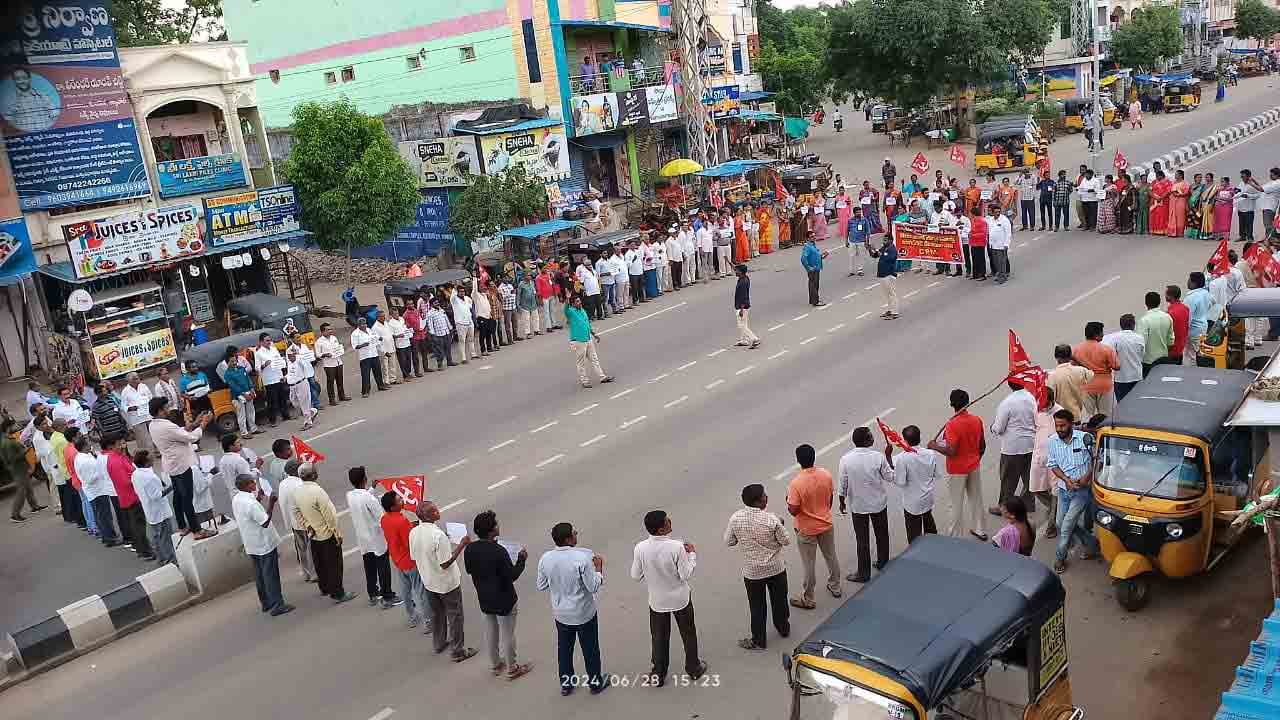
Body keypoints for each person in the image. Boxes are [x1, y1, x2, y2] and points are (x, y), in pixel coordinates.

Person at [631, 510, 706, 685]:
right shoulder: (676, 547)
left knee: (658, 637)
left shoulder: (640, 548)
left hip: (657, 601)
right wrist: (692, 555)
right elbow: (685, 574)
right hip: (680, 599)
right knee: (688, 633)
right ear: (660, 529)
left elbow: (635, 575)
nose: (670, 521)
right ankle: (693, 667)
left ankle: (658, 673)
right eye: (666, 521)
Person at [537, 522, 606, 696]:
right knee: (590, 648)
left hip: (561, 614)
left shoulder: (546, 558)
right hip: (583, 613)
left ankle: (566, 684)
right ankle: (595, 682)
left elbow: (541, 585)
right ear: (568, 539)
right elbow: (593, 587)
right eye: (574, 532)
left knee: (564, 650)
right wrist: (598, 570)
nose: (576, 533)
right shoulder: (582, 558)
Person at [463, 510, 532, 680]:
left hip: (484, 598)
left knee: (491, 632)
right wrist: (522, 559)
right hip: (504, 599)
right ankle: (512, 667)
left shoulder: (469, 549)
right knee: (508, 634)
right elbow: (512, 575)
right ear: (492, 530)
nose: (498, 526)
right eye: (496, 524)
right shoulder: (499, 551)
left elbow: (470, 570)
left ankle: (495, 664)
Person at [724, 483, 791, 652]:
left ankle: (759, 640)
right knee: (780, 601)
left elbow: (729, 541)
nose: (766, 497)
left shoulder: (736, 518)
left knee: (757, 606)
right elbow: (786, 541)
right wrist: (780, 524)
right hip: (775, 568)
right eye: (764, 495)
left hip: (753, 573)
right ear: (759, 501)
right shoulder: (771, 519)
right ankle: (783, 628)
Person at [411, 500, 477, 662]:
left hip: (429, 581)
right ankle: (458, 651)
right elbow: (445, 563)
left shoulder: (414, 532)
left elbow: (414, 556)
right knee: (455, 616)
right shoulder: (438, 536)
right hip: (446, 584)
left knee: (437, 614)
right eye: (434, 510)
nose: (437, 511)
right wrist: (462, 545)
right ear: (427, 516)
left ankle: (439, 643)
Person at [148, 396, 213, 539]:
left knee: (178, 496)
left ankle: (182, 526)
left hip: (172, 464)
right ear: (160, 411)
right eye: (165, 407)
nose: (168, 410)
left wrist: (195, 423)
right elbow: (190, 438)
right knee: (187, 498)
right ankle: (197, 530)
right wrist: (203, 425)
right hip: (181, 464)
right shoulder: (166, 425)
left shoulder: (153, 424)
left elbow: (179, 432)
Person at [785, 444, 841, 609]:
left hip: (806, 529)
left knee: (809, 564)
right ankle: (835, 585)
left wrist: (787, 501)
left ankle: (808, 597)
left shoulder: (796, 483)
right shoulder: (826, 475)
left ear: (798, 460)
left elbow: (794, 510)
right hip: (826, 524)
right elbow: (829, 501)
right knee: (831, 556)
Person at [290, 462, 356, 603]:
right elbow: (329, 515)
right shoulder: (318, 491)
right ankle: (338, 593)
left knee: (320, 562)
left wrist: (307, 525)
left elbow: (295, 511)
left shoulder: (297, 491)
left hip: (313, 533)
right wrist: (336, 533)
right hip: (326, 533)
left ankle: (324, 587)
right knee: (334, 564)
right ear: (314, 475)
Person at [928, 389, 988, 540]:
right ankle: (980, 529)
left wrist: (934, 446)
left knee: (955, 504)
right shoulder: (977, 420)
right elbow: (982, 446)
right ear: (967, 403)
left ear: (951, 404)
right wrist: (975, 458)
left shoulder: (952, 424)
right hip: (974, 466)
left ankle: (955, 536)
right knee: (976, 498)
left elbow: (952, 451)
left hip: (957, 470)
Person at [231, 474, 294, 616]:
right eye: (253, 483)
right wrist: (271, 503)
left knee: (260, 574)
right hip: (263, 543)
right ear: (248, 486)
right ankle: (277, 604)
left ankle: (266, 602)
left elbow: (251, 513)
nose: (255, 484)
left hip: (251, 543)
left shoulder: (238, 499)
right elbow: (264, 522)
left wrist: (259, 498)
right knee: (270, 574)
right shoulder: (250, 503)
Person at [1047, 409, 1100, 574]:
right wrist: (1066, 480)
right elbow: (1053, 465)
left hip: (1082, 492)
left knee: (1066, 526)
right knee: (1060, 523)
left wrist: (1087, 476)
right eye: (1057, 425)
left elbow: (1097, 460)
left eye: (1063, 425)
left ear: (1070, 424)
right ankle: (1092, 544)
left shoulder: (1085, 439)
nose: (1059, 429)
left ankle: (1060, 558)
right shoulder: (1052, 441)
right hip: (1064, 490)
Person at [837, 427, 892, 583]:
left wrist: (842, 503)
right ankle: (883, 563)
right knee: (882, 534)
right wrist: (888, 456)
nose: (873, 438)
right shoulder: (878, 457)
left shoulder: (846, 459)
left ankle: (863, 573)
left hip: (859, 506)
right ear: (868, 440)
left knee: (862, 540)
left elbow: (843, 484)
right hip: (878, 504)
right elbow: (889, 477)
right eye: (871, 436)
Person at [348, 467, 402, 609]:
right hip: (376, 538)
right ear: (364, 479)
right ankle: (387, 596)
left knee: (369, 567)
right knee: (383, 567)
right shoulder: (368, 498)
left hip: (363, 539)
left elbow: (363, 500)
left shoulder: (350, 495)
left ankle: (373, 594)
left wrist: (371, 488)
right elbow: (381, 518)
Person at [989, 381, 1036, 520]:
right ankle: (1028, 503)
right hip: (1031, 443)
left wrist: (992, 427)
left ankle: (1004, 506)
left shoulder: (1007, 403)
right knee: (1029, 478)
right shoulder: (1032, 398)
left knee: (1008, 479)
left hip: (1012, 447)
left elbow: (998, 428)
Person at [888, 425, 940, 542]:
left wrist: (888, 457)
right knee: (929, 524)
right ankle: (935, 546)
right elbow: (936, 474)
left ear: (905, 440)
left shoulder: (903, 458)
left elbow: (900, 481)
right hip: (927, 498)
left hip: (912, 503)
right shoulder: (930, 454)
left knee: (914, 535)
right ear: (920, 438)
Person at [105, 434, 152, 559]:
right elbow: (125, 482)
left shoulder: (119, 456)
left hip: (130, 495)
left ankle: (142, 549)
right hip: (130, 496)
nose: (122, 446)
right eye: (119, 444)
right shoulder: (115, 460)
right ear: (111, 446)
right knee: (138, 525)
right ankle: (145, 551)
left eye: (123, 443)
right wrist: (137, 476)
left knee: (137, 524)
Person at [275, 451, 314, 584]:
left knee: (301, 548)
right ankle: (314, 572)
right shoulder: (300, 484)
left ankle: (306, 573)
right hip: (306, 521)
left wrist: (288, 522)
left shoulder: (283, 484)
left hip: (294, 522)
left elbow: (283, 504)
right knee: (310, 548)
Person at [130, 450, 175, 565]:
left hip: (149, 509)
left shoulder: (136, 474)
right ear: (145, 463)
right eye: (151, 458)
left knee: (156, 535)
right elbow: (157, 495)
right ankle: (170, 558)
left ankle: (161, 558)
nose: (153, 459)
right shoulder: (150, 477)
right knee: (166, 536)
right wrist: (172, 487)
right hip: (159, 511)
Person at [1028, 387, 1061, 538]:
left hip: (1056, 459)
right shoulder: (1036, 410)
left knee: (1055, 491)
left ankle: (1052, 524)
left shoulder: (1060, 412)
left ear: (1051, 401)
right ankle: (1055, 508)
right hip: (1039, 457)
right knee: (1035, 488)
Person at [75, 435, 119, 546]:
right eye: (88, 443)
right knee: (104, 516)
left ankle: (107, 536)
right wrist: (101, 471)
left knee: (102, 515)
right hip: (97, 491)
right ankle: (110, 538)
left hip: (96, 491)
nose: (90, 444)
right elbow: (89, 479)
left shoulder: (83, 456)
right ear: (84, 447)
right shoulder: (84, 461)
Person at [564, 295, 613, 389]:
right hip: (578, 341)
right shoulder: (570, 312)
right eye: (577, 302)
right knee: (581, 362)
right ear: (573, 303)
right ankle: (584, 381)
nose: (580, 303)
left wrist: (594, 334)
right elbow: (566, 308)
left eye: (579, 301)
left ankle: (602, 377)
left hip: (588, 338)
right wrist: (567, 298)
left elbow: (587, 324)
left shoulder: (583, 311)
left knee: (594, 359)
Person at [1072, 322, 1120, 417]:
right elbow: (1117, 366)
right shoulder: (1106, 349)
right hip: (1104, 385)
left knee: (1088, 416)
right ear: (1097, 335)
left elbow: (1073, 366)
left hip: (1085, 384)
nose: (1103, 335)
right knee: (1106, 415)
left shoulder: (1076, 349)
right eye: (1101, 332)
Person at [4, 420, 41, 523]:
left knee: (28, 488)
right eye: (14, 425)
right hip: (18, 469)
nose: (16, 426)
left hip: (22, 467)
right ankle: (15, 515)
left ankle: (34, 506)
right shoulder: (8, 442)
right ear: (8, 428)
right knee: (21, 491)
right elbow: (12, 458)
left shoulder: (9, 439)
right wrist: (25, 451)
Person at [1046, 343, 1094, 419]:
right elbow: (1093, 376)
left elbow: (1050, 399)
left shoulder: (1052, 376)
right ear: (1071, 356)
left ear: (1056, 357)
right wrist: (1079, 362)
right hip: (1078, 416)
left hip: (1061, 419)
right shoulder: (1082, 371)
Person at [1104, 314, 1146, 402]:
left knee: (1122, 404)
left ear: (1121, 325)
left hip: (1121, 378)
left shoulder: (1115, 339)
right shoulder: (1140, 338)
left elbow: (1111, 356)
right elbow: (1142, 356)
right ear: (1133, 325)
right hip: (1136, 376)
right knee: (1136, 403)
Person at [253, 334, 289, 425]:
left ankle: (285, 415)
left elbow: (278, 360)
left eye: (270, 340)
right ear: (261, 342)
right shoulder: (259, 353)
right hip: (269, 380)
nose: (269, 342)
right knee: (272, 401)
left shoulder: (274, 349)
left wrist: (282, 362)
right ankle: (272, 420)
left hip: (278, 376)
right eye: (267, 340)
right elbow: (257, 368)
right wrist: (264, 365)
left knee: (283, 397)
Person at [313, 323, 350, 405]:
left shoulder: (334, 338)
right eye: (328, 330)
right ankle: (332, 399)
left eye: (331, 329)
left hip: (338, 362)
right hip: (329, 364)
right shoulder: (319, 342)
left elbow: (338, 348)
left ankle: (342, 395)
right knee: (330, 382)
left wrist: (342, 349)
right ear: (322, 332)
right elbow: (318, 355)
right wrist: (325, 355)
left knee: (340, 380)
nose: (330, 331)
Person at [350, 317, 387, 395]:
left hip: (374, 354)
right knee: (365, 374)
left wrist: (379, 338)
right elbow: (355, 346)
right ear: (358, 325)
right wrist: (363, 345)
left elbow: (375, 338)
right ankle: (365, 391)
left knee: (378, 371)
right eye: (362, 324)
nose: (364, 325)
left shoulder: (370, 330)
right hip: (365, 357)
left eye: (365, 323)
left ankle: (381, 386)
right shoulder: (355, 334)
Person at [285, 345, 318, 431]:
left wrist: (298, 354)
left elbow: (305, 364)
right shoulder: (289, 363)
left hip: (301, 384)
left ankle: (308, 422)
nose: (289, 357)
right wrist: (285, 377)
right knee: (294, 402)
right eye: (288, 356)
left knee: (304, 403)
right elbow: (290, 373)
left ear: (295, 355)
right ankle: (311, 411)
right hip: (292, 386)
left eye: (291, 355)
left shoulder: (300, 361)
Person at [119, 373, 154, 452]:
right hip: (137, 418)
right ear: (129, 381)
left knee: (154, 433)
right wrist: (131, 408)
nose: (137, 380)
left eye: (137, 378)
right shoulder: (125, 391)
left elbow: (150, 397)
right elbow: (123, 406)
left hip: (148, 414)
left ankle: (157, 452)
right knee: (142, 438)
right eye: (134, 379)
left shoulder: (144, 386)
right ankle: (144, 454)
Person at [1184, 272, 1213, 366]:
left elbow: (1187, 317)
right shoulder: (1206, 293)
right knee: (1198, 353)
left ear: (1194, 283)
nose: (1187, 282)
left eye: (1189, 280)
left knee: (1190, 355)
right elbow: (1212, 304)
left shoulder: (1191, 298)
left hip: (1193, 331)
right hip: (1203, 327)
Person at [733, 264, 761, 349]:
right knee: (744, 323)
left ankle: (754, 339)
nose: (735, 272)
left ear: (740, 272)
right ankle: (743, 340)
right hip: (745, 305)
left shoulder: (742, 283)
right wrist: (727, 260)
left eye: (737, 271)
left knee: (741, 325)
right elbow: (734, 268)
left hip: (742, 306)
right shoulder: (745, 278)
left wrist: (741, 309)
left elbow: (743, 296)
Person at [424, 300, 455, 371]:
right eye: (435, 303)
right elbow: (430, 325)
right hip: (438, 334)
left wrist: (450, 328)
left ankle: (449, 361)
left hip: (446, 332)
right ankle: (440, 365)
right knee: (439, 350)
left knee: (448, 348)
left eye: (438, 302)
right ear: (432, 305)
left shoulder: (441, 310)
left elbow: (446, 319)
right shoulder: (430, 313)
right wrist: (433, 334)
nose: (437, 304)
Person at [800, 231, 828, 307]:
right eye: (812, 237)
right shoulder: (808, 247)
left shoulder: (813, 245)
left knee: (814, 285)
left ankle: (813, 300)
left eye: (814, 236)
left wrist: (822, 256)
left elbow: (815, 256)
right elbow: (803, 258)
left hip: (816, 268)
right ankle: (815, 301)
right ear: (808, 238)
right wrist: (809, 267)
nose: (814, 238)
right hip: (813, 269)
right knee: (813, 285)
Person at [987, 203, 1012, 284]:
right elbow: (990, 231)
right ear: (992, 212)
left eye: (999, 212)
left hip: (1001, 245)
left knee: (1002, 262)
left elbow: (1008, 233)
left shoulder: (1004, 220)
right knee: (996, 262)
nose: (998, 213)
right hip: (993, 245)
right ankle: (999, 274)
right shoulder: (990, 220)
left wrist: (1006, 244)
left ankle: (1003, 277)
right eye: (996, 212)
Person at [1165, 284, 1190, 364]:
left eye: (1166, 294)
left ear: (1170, 296)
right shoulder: (1185, 308)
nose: (1165, 296)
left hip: (1172, 350)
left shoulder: (1170, 313)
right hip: (1181, 347)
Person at [1212, 175, 1237, 242]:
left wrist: (1221, 199)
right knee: (1218, 220)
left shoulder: (1232, 189)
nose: (1221, 183)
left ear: (1227, 182)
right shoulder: (1219, 189)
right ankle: (1218, 235)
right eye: (1221, 182)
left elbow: (1231, 198)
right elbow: (1215, 197)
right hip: (1219, 206)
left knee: (1226, 221)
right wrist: (1219, 200)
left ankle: (1225, 236)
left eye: (1223, 182)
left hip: (1227, 206)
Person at [968, 205, 988, 281]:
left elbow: (983, 233)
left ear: (973, 213)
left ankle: (982, 275)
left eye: (971, 213)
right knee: (974, 259)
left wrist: (972, 235)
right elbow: (972, 230)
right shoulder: (973, 220)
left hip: (980, 243)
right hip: (973, 243)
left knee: (980, 259)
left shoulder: (982, 221)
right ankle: (975, 274)